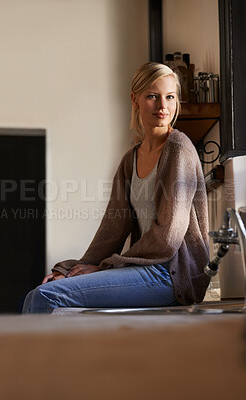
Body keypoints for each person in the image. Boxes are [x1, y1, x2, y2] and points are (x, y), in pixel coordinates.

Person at [22, 62, 210, 314]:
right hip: (144, 271)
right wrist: (73, 268)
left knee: (47, 297)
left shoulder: (179, 149)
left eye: (170, 97)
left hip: (171, 274)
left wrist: (107, 265)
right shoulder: (129, 160)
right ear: (135, 99)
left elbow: (168, 237)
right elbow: (113, 228)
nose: (162, 106)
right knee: (37, 294)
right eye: (152, 96)